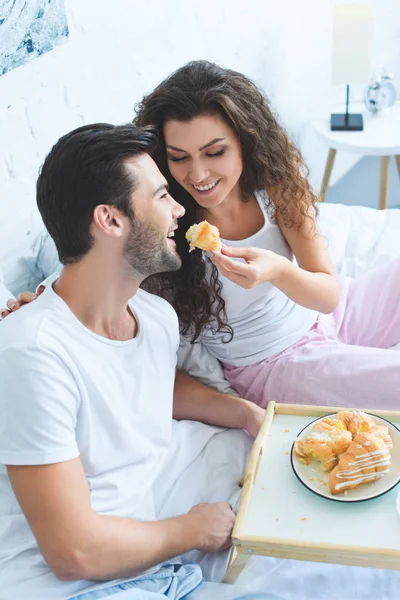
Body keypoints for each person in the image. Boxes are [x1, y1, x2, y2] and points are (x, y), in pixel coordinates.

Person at [0, 123, 268, 600]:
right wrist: (190, 530)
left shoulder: (155, 317)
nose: (180, 209)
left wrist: (246, 414)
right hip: (75, 588)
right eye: (162, 195)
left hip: (155, 570)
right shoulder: (32, 354)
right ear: (110, 219)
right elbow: (73, 553)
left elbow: (150, 386)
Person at [129, 59, 400, 410]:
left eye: (215, 152)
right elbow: (105, 269)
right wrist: (46, 296)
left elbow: (328, 296)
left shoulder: (275, 188)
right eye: (179, 157)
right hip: (275, 364)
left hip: (331, 313)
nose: (198, 174)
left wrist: (278, 270)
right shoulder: (166, 220)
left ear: (246, 141)